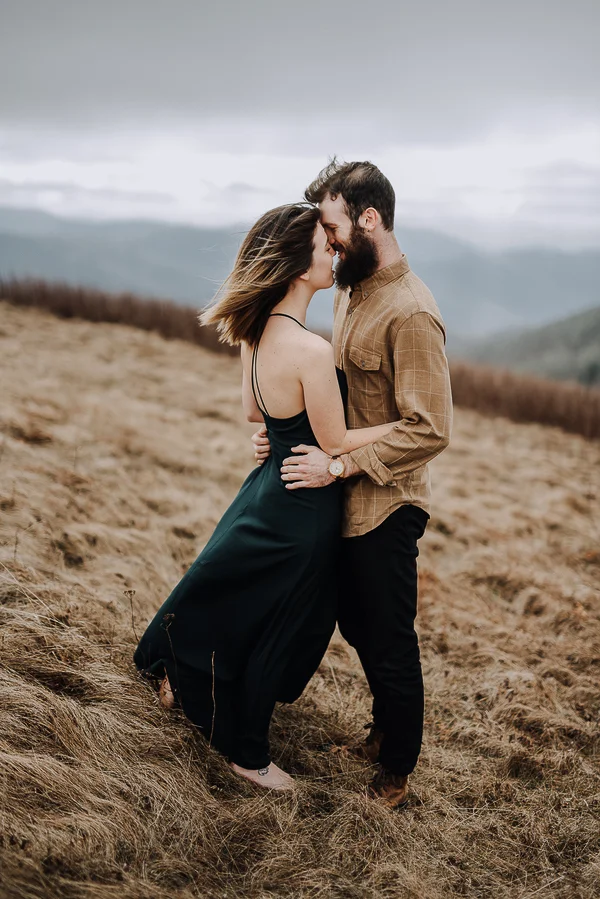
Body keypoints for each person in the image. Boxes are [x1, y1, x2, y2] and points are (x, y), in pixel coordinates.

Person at [134, 203, 401, 792]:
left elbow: (257, 412)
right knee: (279, 625)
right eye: (325, 247)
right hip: (303, 508)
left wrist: (278, 435)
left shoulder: (255, 334)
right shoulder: (310, 349)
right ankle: (247, 754)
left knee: (234, 597)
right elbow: (335, 442)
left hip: (266, 490)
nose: (334, 255)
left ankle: (186, 681)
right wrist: (405, 426)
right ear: (298, 266)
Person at [252, 161, 453, 808]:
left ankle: (396, 770)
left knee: (388, 637)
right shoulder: (349, 290)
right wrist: (283, 432)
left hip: (388, 504)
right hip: (341, 494)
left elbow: (431, 429)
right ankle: (381, 732)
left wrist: (338, 466)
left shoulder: (412, 313)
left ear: (370, 219)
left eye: (334, 229)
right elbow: (339, 396)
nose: (330, 244)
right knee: (358, 627)